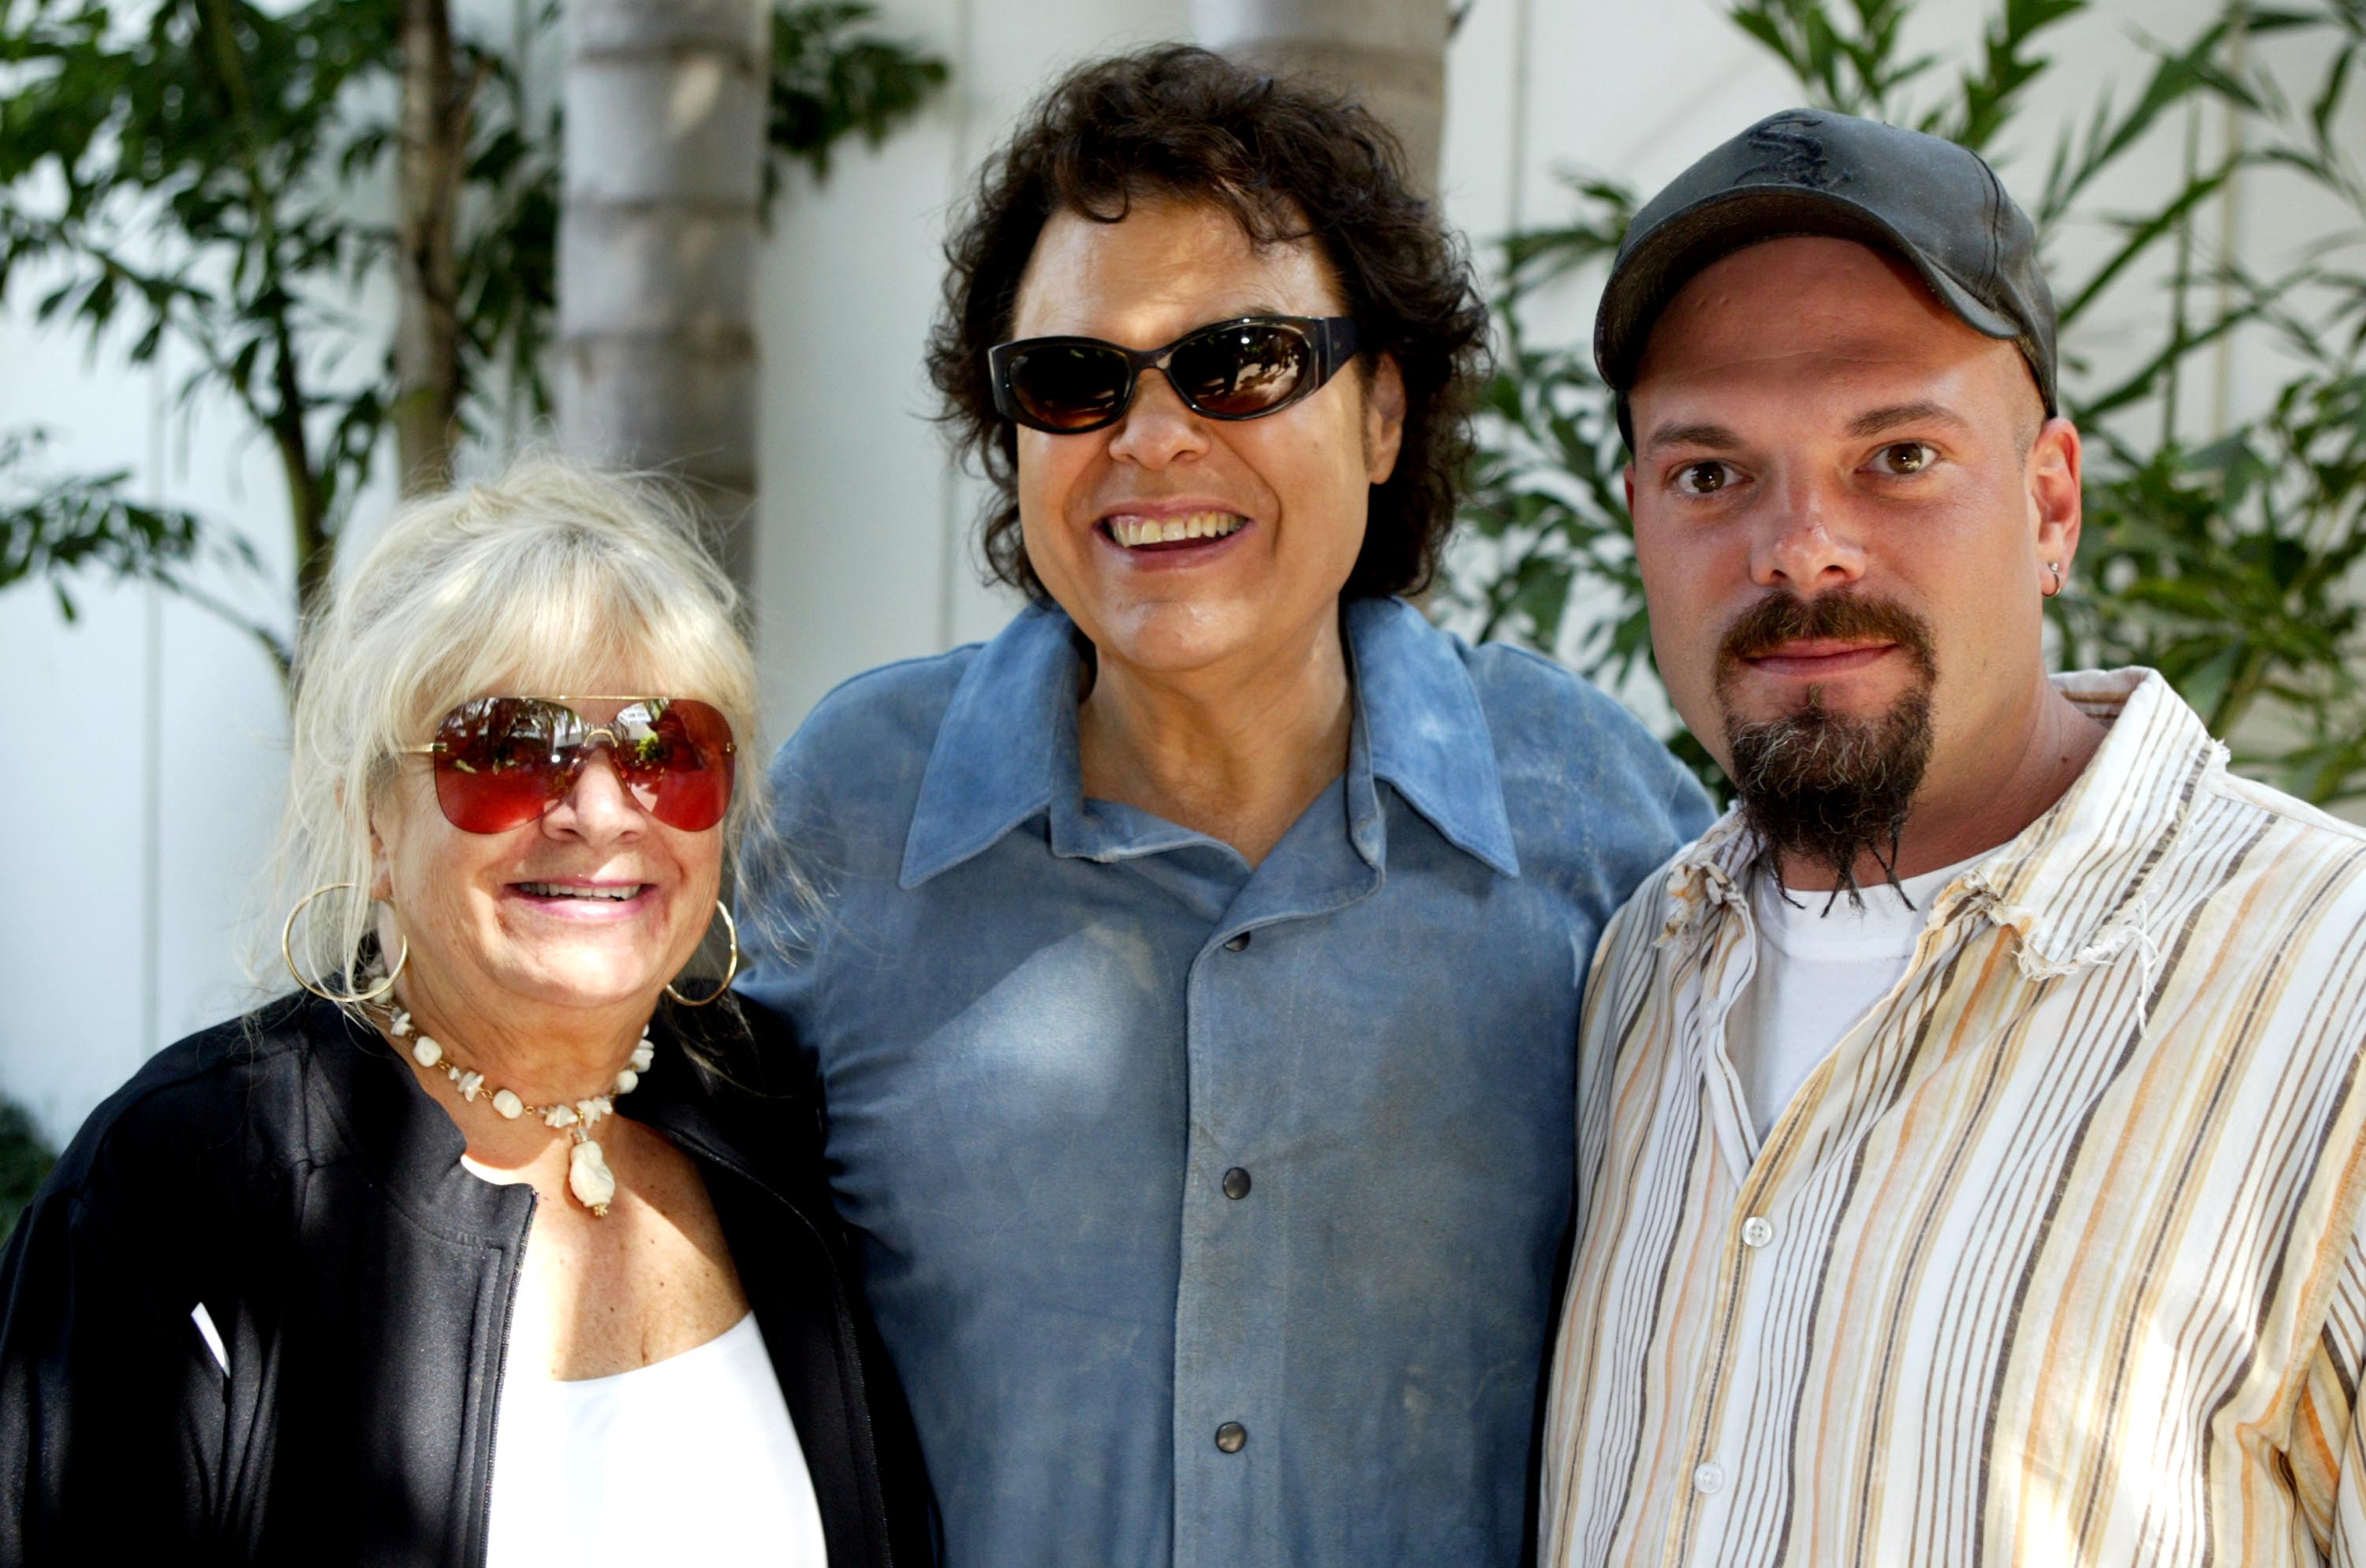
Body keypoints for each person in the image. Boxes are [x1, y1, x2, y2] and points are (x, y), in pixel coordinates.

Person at [737, 44, 1711, 1568]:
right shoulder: (855, 807)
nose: (1151, 439)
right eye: (1073, 381)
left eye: (1239, 362)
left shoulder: (1591, 816)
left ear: (1383, 414)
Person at [1538, 107, 2366, 1567]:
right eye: (1710, 473)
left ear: (2052, 503)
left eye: (1899, 453)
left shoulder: (2330, 987)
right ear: (1640, 521)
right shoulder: (1635, 973)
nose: (1801, 545)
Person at [0, 460, 931, 1565]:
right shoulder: (186, 1183)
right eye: (507, 749)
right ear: (377, 823)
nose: (598, 812)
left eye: (661, 749)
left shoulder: (772, 1111)